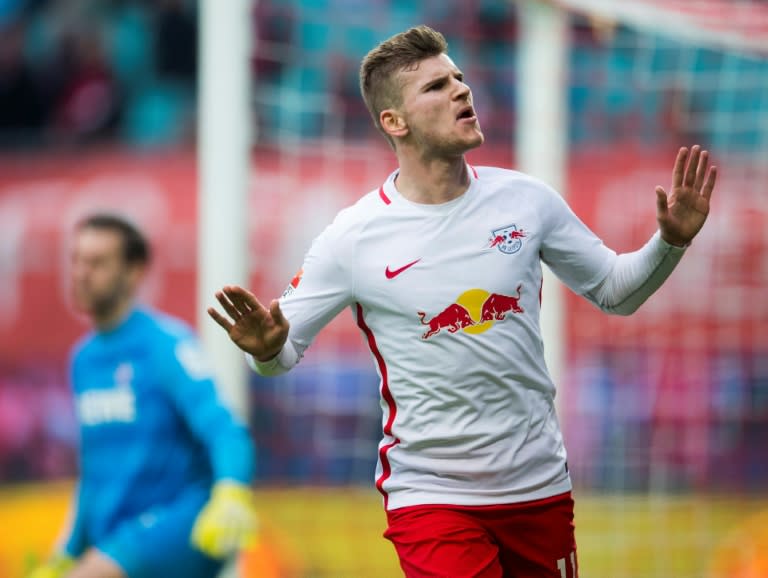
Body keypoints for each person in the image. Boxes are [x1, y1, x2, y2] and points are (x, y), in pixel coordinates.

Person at [207, 25, 717, 578]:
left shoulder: (527, 201)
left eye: (458, 78)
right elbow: (281, 356)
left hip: (538, 485)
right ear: (394, 122)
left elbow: (615, 292)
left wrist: (671, 242)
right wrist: (265, 348)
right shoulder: (352, 237)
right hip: (431, 494)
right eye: (435, 87)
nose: (461, 91)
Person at [29, 214, 258, 578]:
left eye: (97, 262)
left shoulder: (166, 345)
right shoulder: (83, 360)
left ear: (134, 271)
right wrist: (68, 550)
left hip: (179, 525)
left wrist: (231, 491)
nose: (81, 273)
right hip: (118, 538)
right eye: (76, 260)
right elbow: (95, 473)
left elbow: (225, 429)